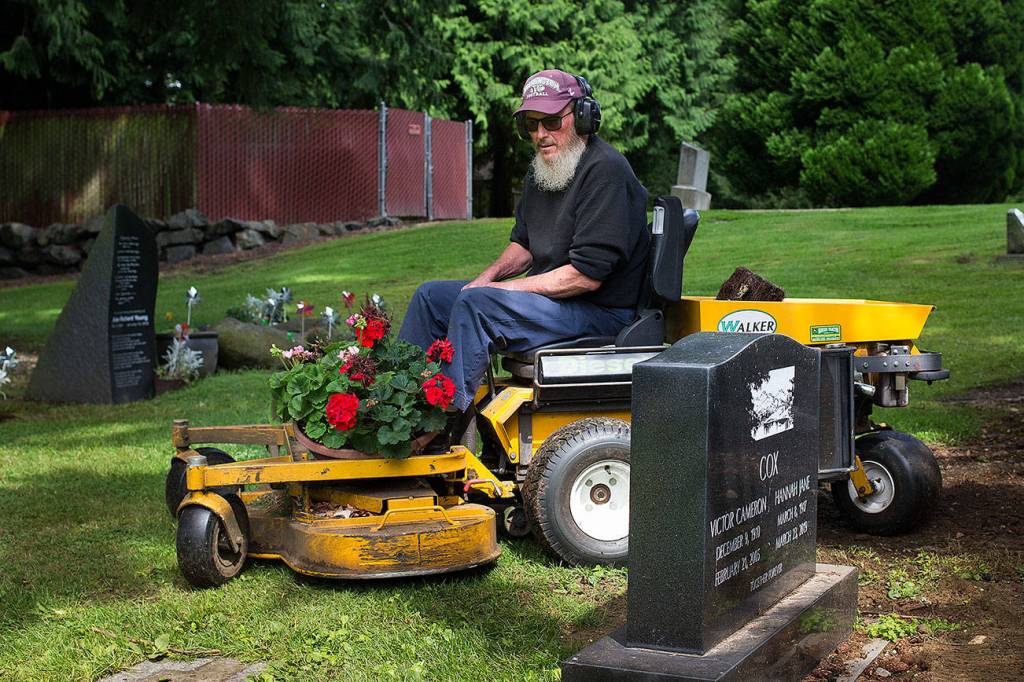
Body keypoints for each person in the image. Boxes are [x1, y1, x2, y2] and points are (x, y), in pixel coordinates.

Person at [399, 69, 649, 413]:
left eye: (550, 121)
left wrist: (501, 292)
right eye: (530, 125)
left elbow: (585, 275)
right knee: (431, 297)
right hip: (558, 305)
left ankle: (439, 418)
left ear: (582, 117)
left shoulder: (606, 171)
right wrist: (483, 281)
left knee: (478, 306)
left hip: (600, 312)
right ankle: (396, 401)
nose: (540, 134)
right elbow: (524, 244)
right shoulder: (542, 171)